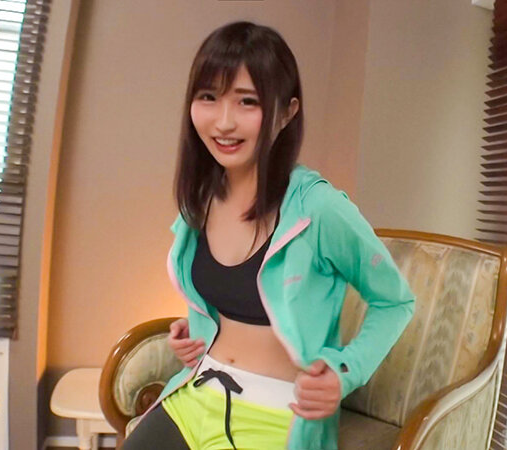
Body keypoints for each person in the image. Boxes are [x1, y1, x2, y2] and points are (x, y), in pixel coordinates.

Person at [122, 21, 415, 450]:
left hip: (276, 414)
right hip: (196, 390)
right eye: (208, 97)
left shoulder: (319, 209)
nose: (224, 122)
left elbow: (396, 302)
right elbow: (229, 300)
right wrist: (196, 330)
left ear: (286, 112)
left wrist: (344, 371)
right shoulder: (199, 202)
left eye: (248, 101)